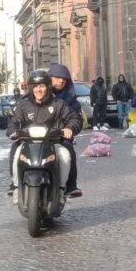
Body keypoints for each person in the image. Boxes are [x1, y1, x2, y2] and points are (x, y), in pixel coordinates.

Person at [6, 70, 81, 204]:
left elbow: (73, 119)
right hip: (28, 142)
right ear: (30, 88)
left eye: (42, 86)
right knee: (16, 151)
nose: (38, 90)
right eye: (35, 86)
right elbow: (14, 121)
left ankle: (64, 188)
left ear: (48, 87)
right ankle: (16, 186)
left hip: (54, 142)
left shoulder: (59, 104)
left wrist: (69, 128)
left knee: (66, 154)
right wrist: (13, 131)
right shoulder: (23, 105)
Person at [48, 64, 84, 198]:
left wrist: (69, 129)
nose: (61, 81)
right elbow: (23, 111)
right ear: (49, 78)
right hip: (36, 137)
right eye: (57, 77)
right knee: (18, 149)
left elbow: (77, 120)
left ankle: (71, 186)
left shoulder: (72, 101)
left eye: (64, 79)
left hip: (60, 137)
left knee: (68, 152)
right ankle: (16, 185)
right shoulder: (37, 94)